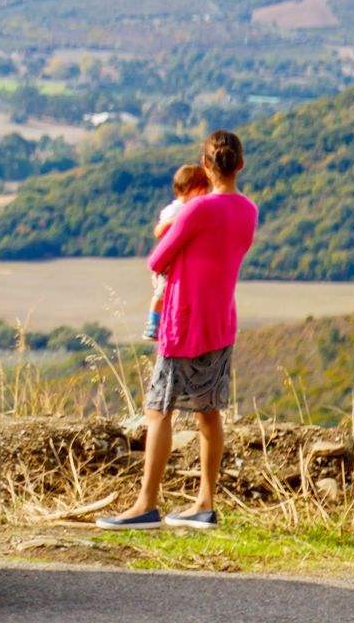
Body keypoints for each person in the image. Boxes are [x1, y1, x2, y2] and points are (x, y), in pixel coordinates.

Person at [98, 130, 258, 531]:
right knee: (209, 413)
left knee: (158, 410)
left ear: (205, 164)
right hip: (220, 321)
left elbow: (157, 260)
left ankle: (145, 505)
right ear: (240, 165)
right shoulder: (248, 211)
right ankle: (204, 504)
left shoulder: (196, 210)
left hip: (183, 320)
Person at [144, 164, 211, 341]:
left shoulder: (190, 208)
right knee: (162, 292)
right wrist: (180, 220)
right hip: (169, 262)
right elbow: (161, 231)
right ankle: (152, 324)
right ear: (193, 189)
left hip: (181, 261)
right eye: (203, 190)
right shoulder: (175, 210)